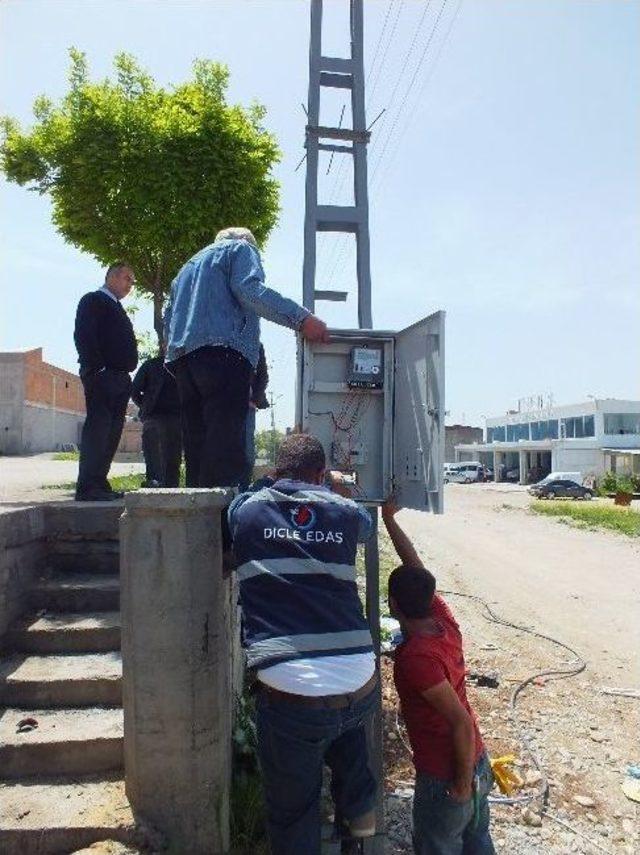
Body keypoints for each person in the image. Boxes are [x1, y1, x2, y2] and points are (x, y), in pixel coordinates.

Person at [227, 433, 378, 855]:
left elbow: (239, 508)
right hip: (358, 679)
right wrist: (332, 491)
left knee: (293, 810)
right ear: (319, 473)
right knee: (349, 746)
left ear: (276, 471)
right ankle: (360, 822)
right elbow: (366, 527)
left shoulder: (247, 511)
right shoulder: (346, 511)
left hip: (291, 692)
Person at [163, 227, 329, 488]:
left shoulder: (186, 268)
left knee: (197, 446)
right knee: (226, 449)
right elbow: (249, 289)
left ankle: (196, 519)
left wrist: (173, 355)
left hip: (184, 361)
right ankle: (222, 524)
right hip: (225, 354)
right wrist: (301, 318)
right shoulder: (241, 248)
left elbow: (168, 316)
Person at [381, 499, 495, 855]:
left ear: (392, 605)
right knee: (477, 841)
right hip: (477, 761)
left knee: (438, 846)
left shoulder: (417, 657)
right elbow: (415, 569)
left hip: (448, 772)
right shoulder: (442, 621)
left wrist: (460, 784)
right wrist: (388, 519)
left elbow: (459, 722)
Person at [74, 262, 138, 501]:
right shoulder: (93, 300)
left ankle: (99, 483)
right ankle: (87, 487)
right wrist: (97, 368)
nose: (130, 285)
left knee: (111, 434)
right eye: (126, 278)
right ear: (111, 276)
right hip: (103, 376)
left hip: (120, 379)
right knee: (98, 431)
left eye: (132, 281)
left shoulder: (117, 307)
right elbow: (84, 335)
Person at [131, 351, 182, 487]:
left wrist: (145, 406)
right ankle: (167, 488)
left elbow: (135, 390)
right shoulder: (181, 365)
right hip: (168, 418)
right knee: (170, 461)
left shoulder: (151, 365)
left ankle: (158, 487)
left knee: (160, 461)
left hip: (161, 418)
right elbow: (134, 390)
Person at [240, 342, 269, 490]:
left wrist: (254, 400)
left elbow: (263, 374)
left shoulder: (254, 343)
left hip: (246, 407)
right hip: (222, 404)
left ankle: (243, 491)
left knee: (247, 454)